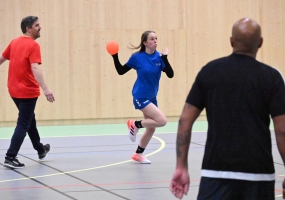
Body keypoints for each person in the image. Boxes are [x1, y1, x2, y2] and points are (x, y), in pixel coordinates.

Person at [170, 18, 285, 199]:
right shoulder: (272, 77)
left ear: (231, 41)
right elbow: (282, 130)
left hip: (215, 173)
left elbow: (185, 119)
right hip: (259, 175)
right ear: (260, 43)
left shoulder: (209, 71)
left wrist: (180, 166)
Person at [0, 16, 55, 169]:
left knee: (30, 120)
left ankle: (40, 149)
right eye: (37, 25)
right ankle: (10, 156)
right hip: (27, 91)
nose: (40, 27)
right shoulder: (33, 46)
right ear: (28, 28)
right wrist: (46, 88)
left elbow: (0, 59)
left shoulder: (14, 42)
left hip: (13, 90)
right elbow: (35, 68)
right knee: (23, 123)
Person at [110, 31, 174, 164]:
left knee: (151, 128)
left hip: (152, 97)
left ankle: (138, 154)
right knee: (162, 121)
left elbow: (170, 74)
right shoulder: (137, 57)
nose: (155, 41)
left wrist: (165, 59)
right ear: (145, 42)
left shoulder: (159, 57)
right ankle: (135, 124)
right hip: (140, 95)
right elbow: (121, 71)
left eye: (156, 38)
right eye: (152, 39)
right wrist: (115, 56)